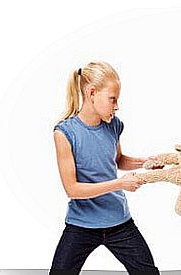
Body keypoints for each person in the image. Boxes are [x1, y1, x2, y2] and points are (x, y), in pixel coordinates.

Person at [50, 61, 159, 275]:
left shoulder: (113, 125)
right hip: (81, 224)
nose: (116, 106)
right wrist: (120, 183)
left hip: (119, 222)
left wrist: (146, 162)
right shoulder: (64, 133)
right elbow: (72, 189)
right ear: (92, 93)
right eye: (113, 99)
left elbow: (117, 160)